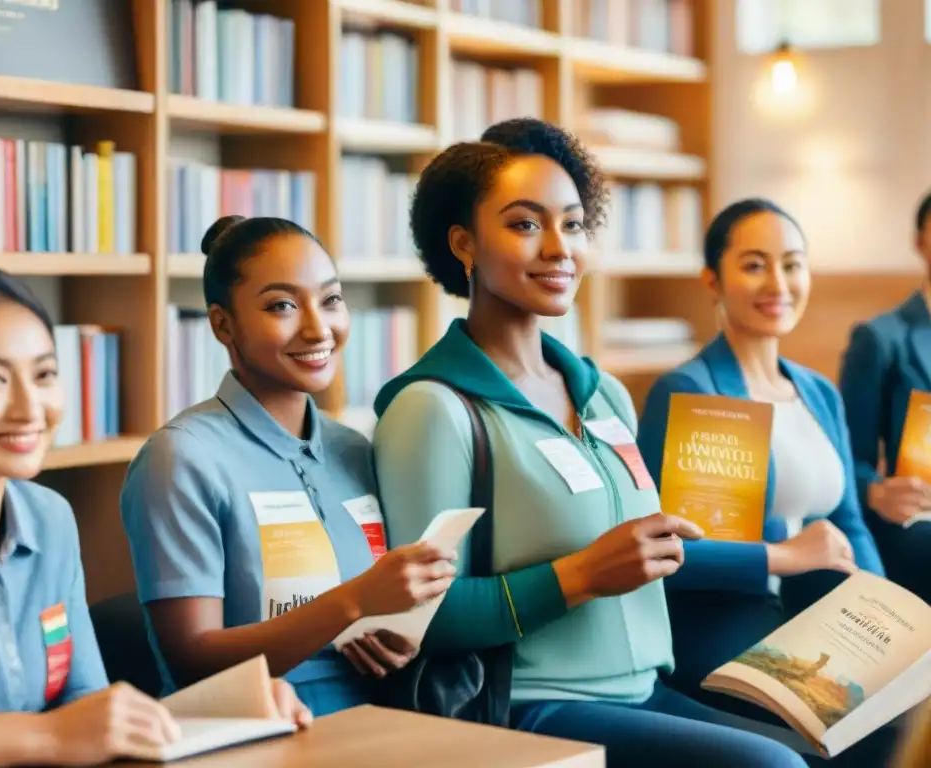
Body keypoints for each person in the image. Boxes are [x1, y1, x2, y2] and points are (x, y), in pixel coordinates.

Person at [372, 118, 809, 768]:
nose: (559, 248)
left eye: (573, 224)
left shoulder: (603, 393)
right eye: (525, 225)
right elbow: (422, 618)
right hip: (526, 706)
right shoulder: (431, 408)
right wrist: (581, 575)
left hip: (644, 690)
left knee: (825, 748)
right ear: (463, 243)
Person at [0, 263, 312, 768]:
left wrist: (239, 707)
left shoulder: (49, 520)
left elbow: (85, 704)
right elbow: (61, 732)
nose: (29, 407)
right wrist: (47, 738)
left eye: (44, 375)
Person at [119, 216, 457, 718]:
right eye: (282, 305)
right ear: (222, 324)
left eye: (331, 299)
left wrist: (392, 637)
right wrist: (353, 603)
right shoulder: (182, 457)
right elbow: (191, 661)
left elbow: (369, 609)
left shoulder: (355, 450)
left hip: (375, 724)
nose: (318, 328)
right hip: (246, 732)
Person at [635, 198, 896, 764]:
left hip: (820, 626)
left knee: (909, 701)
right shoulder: (693, 390)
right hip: (730, 631)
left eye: (792, 263)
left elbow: (848, 520)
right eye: (754, 264)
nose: (777, 282)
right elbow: (673, 556)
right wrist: (785, 555)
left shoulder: (817, 391)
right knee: (859, 728)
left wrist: (888, 619)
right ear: (713, 280)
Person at [839, 190, 931, 605]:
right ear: (919, 242)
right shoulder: (880, 339)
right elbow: (846, 460)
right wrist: (875, 491)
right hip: (917, 522)